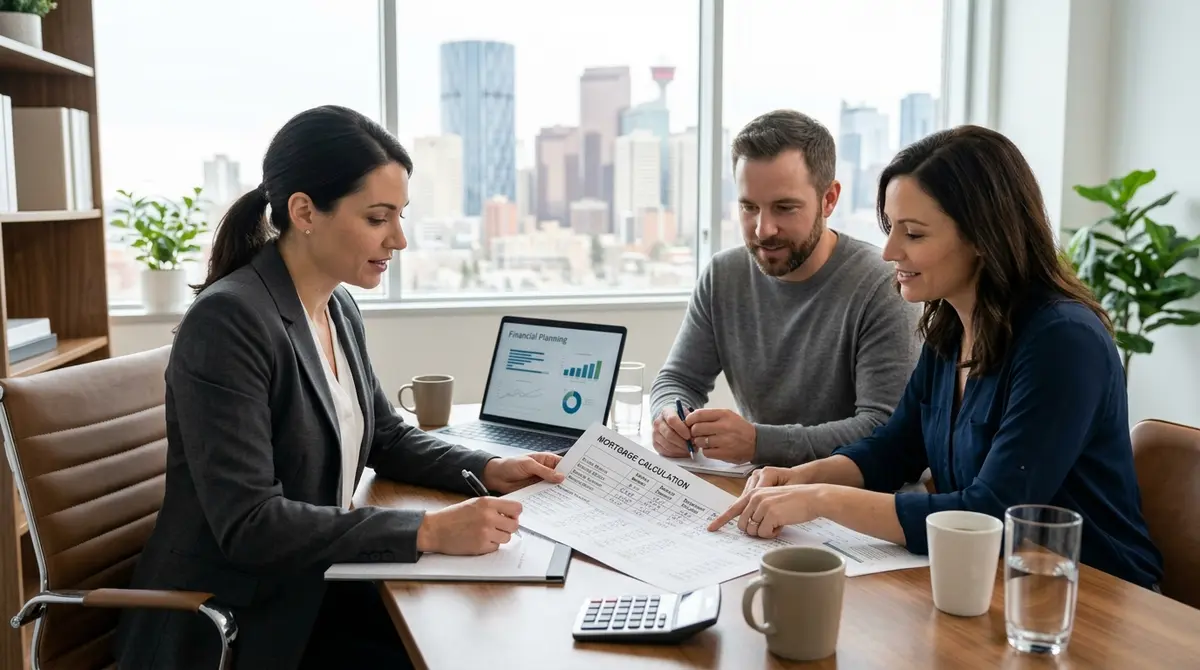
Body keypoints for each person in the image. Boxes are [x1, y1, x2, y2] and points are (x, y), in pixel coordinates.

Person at [114, 105, 566, 670]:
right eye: (378, 218)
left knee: (486, 632)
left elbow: (388, 439)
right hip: (237, 619)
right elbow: (251, 525)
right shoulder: (229, 322)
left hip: (313, 585)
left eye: (400, 216)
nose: (398, 239)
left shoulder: (335, 304)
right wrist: (426, 530)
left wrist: (492, 468)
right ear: (304, 211)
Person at [708, 125, 1164, 590]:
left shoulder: (1064, 341)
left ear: (982, 236)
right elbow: (895, 449)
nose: (889, 251)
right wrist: (800, 478)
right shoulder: (950, 325)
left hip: (1095, 596)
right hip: (992, 583)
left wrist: (821, 499)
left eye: (914, 234)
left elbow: (988, 513)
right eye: (890, 227)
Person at [649, 109, 921, 467]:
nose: (763, 229)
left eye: (784, 208)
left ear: (829, 199)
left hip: (856, 502)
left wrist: (759, 442)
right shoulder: (722, 275)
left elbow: (883, 431)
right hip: (761, 492)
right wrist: (669, 415)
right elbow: (678, 378)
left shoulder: (882, 285)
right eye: (749, 207)